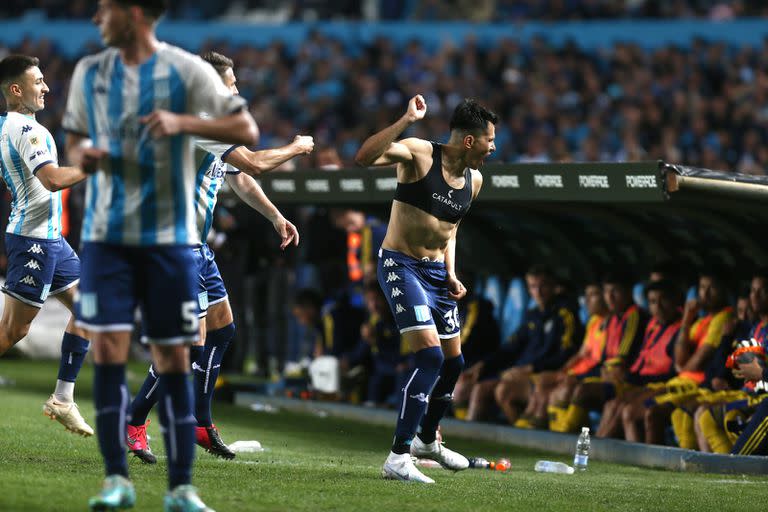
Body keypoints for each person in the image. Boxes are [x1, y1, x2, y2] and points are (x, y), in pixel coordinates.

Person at [63, 1, 258, 510]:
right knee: (108, 353)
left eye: (104, 8)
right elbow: (76, 145)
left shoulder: (188, 72)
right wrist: (87, 156)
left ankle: (181, 488)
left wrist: (180, 124)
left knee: (176, 354)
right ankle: (115, 481)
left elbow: (247, 136)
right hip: (108, 234)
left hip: (170, 239)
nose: (95, 18)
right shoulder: (90, 72)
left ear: (135, 12)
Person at [124, 50, 309, 464]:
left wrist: (276, 217)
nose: (237, 90)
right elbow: (258, 164)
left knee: (222, 331)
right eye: (231, 83)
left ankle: (199, 423)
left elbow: (240, 178)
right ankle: (133, 421)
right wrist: (297, 147)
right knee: (189, 346)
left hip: (196, 247)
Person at [355, 95, 496, 483]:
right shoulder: (420, 154)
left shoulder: (476, 180)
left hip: (436, 276)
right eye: (489, 140)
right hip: (400, 265)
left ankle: (426, 442)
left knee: (454, 364)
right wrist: (406, 119)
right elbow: (364, 158)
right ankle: (398, 456)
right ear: (470, 141)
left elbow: (451, 230)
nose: (493, 148)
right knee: (431, 358)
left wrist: (451, 273)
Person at [0, 54, 97, 436]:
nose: (46, 87)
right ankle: (62, 399)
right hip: (34, 241)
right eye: (37, 81)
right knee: (12, 333)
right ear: (15, 89)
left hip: (50, 239)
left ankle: (62, 399)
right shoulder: (28, 131)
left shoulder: (11, 126)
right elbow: (53, 181)